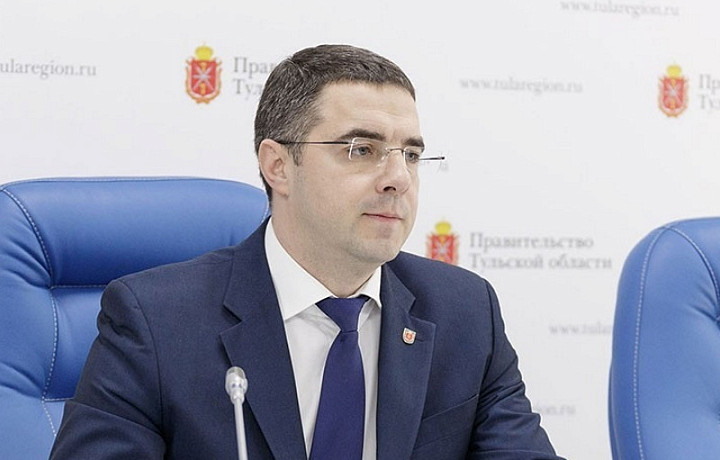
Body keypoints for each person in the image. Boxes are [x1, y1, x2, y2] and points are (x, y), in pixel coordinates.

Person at [50, 44, 563, 459]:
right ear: (277, 166)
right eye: (362, 150)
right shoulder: (157, 322)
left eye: (411, 154)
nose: (398, 179)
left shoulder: (464, 312)